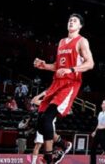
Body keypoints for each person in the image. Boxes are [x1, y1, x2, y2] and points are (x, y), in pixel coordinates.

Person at [34, 14, 94, 164]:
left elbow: (90, 63)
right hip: (56, 83)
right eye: (70, 20)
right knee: (40, 124)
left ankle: (48, 158)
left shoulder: (81, 41)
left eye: (75, 21)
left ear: (80, 26)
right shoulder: (61, 42)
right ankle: (63, 144)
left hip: (70, 83)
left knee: (47, 119)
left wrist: (71, 69)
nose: (71, 22)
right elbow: (57, 65)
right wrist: (44, 65)